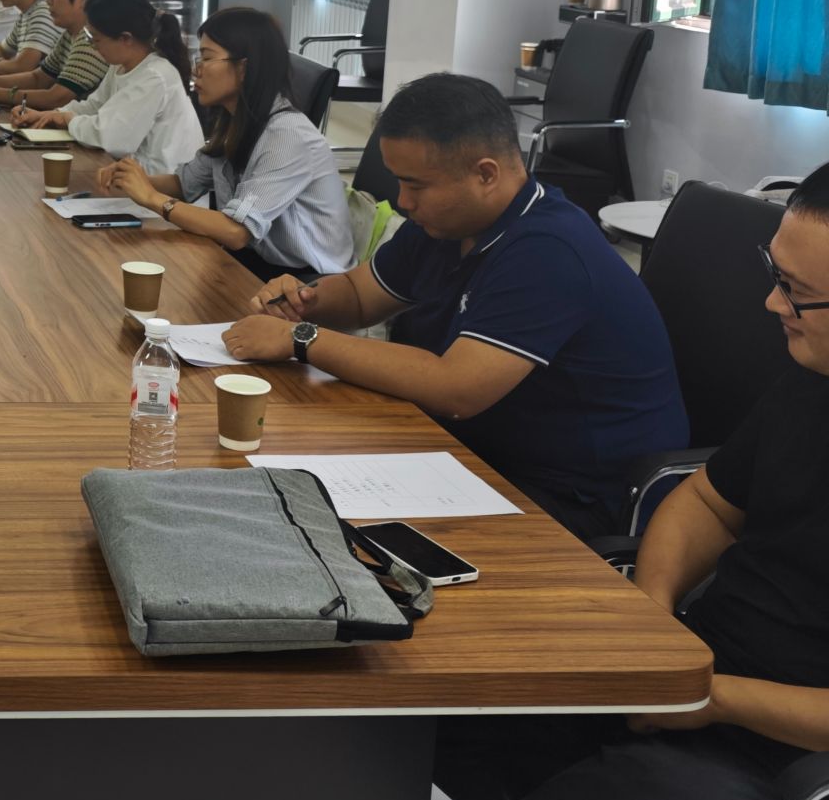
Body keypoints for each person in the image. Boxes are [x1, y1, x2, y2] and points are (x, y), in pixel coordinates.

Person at [433, 159, 829, 800]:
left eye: (796, 293)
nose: (772, 304)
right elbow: (706, 501)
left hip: (780, 760)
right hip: (691, 679)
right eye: (775, 274)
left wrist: (711, 697)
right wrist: (651, 617)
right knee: (429, 721)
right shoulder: (811, 378)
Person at [224, 72, 686, 534]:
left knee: (314, 528)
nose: (402, 202)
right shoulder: (449, 223)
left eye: (415, 185)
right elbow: (361, 297)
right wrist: (303, 300)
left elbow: (456, 389)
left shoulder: (549, 251)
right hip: (470, 454)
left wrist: (301, 337)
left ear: (485, 174)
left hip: (571, 496)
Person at [96, 6, 354, 277]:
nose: (196, 70)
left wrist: (152, 198)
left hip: (307, 280)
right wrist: (133, 179)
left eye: (207, 58)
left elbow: (235, 231)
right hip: (254, 261)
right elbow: (185, 184)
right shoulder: (235, 120)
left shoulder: (288, 136)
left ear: (244, 68)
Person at [17, 0, 202, 173]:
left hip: (161, 182)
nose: (92, 46)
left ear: (125, 39)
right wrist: (51, 115)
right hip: (136, 174)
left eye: (95, 39)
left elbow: (110, 137)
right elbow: (95, 106)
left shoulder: (154, 76)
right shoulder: (121, 64)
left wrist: (67, 119)